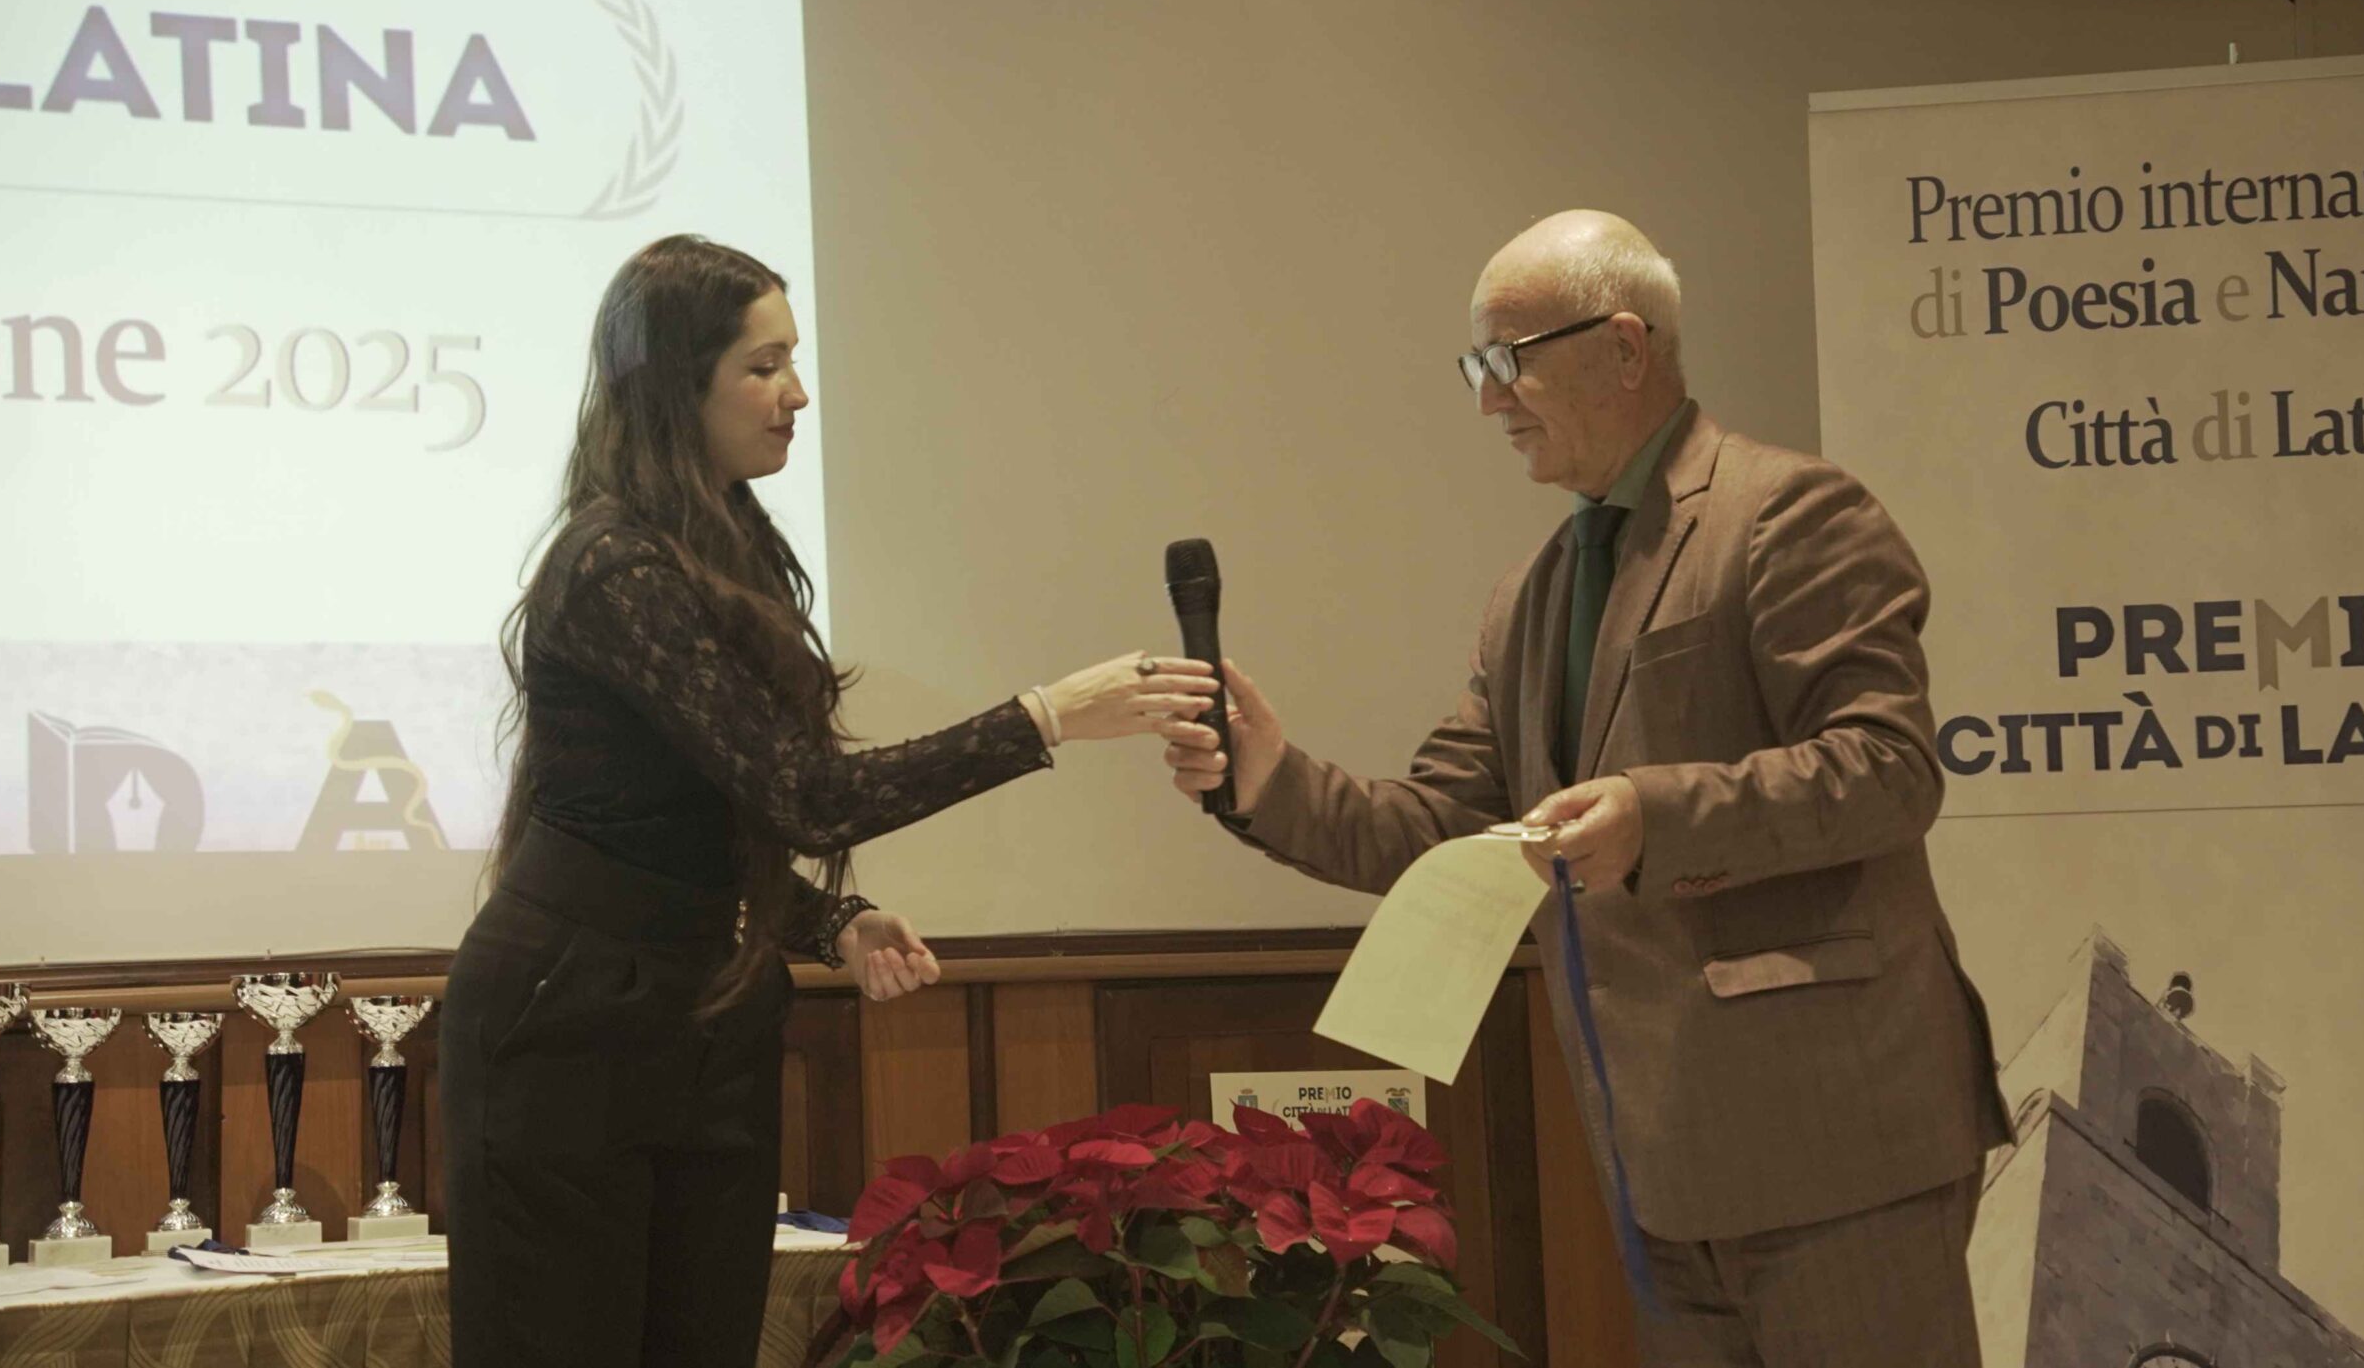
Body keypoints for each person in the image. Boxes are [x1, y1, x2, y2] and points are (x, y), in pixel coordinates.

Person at [1161, 211, 2010, 1366]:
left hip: (1837, 1142)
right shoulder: (1533, 595)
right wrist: (1272, 777)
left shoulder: (1791, 513)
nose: (1487, 401)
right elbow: (1450, 825)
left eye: (1507, 359)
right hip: (1653, 1160)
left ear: (1623, 347)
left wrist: (1653, 816)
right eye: (1476, 364)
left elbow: (1886, 769)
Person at [439, 234, 1216, 1368]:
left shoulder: (729, 547)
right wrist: (1046, 715)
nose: (796, 394)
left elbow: (686, 819)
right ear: (673, 387)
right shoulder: (614, 565)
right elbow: (807, 797)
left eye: (792, 360)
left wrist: (826, 919)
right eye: (762, 367)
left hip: (705, 1014)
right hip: (567, 1026)